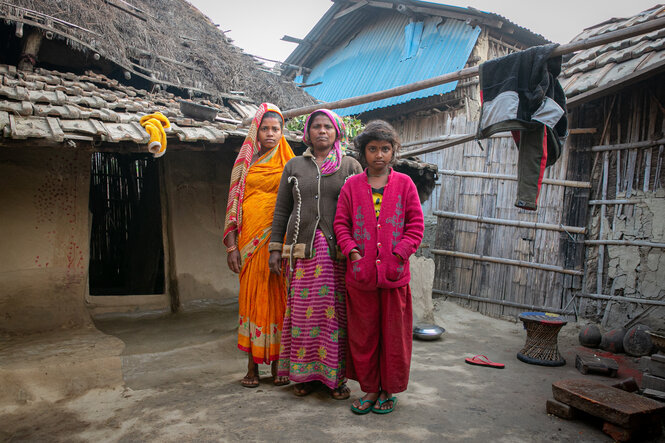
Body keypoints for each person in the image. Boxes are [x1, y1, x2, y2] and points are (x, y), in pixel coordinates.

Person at [268, 109, 362, 399]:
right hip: (301, 252)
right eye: (316, 127)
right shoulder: (294, 166)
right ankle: (304, 376)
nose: (322, 131)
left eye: (328, 127)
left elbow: (362, 211)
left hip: (338, 255)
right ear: (307, 133)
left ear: (337, 132)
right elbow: (282, 209)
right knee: (302, 317)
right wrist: (275, 249)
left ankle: (336, 380)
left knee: (334, 318)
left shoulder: (350, 166)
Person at [333, 120, 424, 414]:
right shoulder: (351, 186)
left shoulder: (405, 184)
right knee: (365, 336)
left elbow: (415, 227)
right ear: (363, 153)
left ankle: (388, 389)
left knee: (393, 337)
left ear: (393, 152)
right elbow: (341, 224)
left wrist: (398, 255)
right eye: (372, 149)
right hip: (360, 278)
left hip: (394, 276)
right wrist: (354, 253)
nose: (379, 155)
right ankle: (370, 389)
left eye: (385, 149)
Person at [223, 103, 294, 388]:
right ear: (256, 131)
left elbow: (297, 204)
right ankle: (251, 368)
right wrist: (231, 246)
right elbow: (232, 205)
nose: (270, 134)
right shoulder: (245, 166)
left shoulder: (290, 163)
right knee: (250, 301)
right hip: (249, 243)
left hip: (278, 243)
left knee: (279, 301)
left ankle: (278, 368)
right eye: (265, 128)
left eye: (275, 129)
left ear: (283, 131)